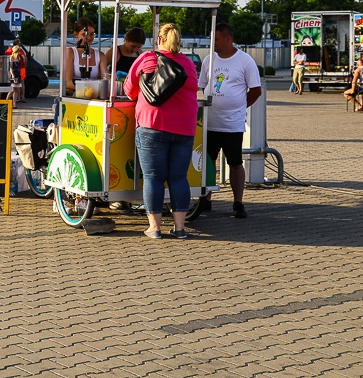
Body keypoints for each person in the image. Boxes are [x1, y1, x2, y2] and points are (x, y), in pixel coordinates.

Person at [124, 23, 199, 239]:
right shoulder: (188, 64)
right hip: (184, 127)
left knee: (154, 177)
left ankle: (154, 228)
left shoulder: (147, 58)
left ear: (159, 39)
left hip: (152, 125)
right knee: (178, 178)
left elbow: (129, 91)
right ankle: (180, 228)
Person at [198, 23, 262, 219]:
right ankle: (205, 198)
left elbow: (256, 90)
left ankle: (238, 202)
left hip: (232, 124)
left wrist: (239, 107)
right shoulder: (209, 59)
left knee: (235, 162)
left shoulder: (245, 61)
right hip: (210, 122)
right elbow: (202, 86)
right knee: (208, 161)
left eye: (216, 39)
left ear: (228, 39)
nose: (213, 43)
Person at [64, 18, 108, 96]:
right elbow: (68, 82)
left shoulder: (100, 55)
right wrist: (86, 90)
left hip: (94, 96)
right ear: (76, 34)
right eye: (84, 34)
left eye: (92, 34)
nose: (89, 38)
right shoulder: (70, 52)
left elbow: (106, 79)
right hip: (75, 95)